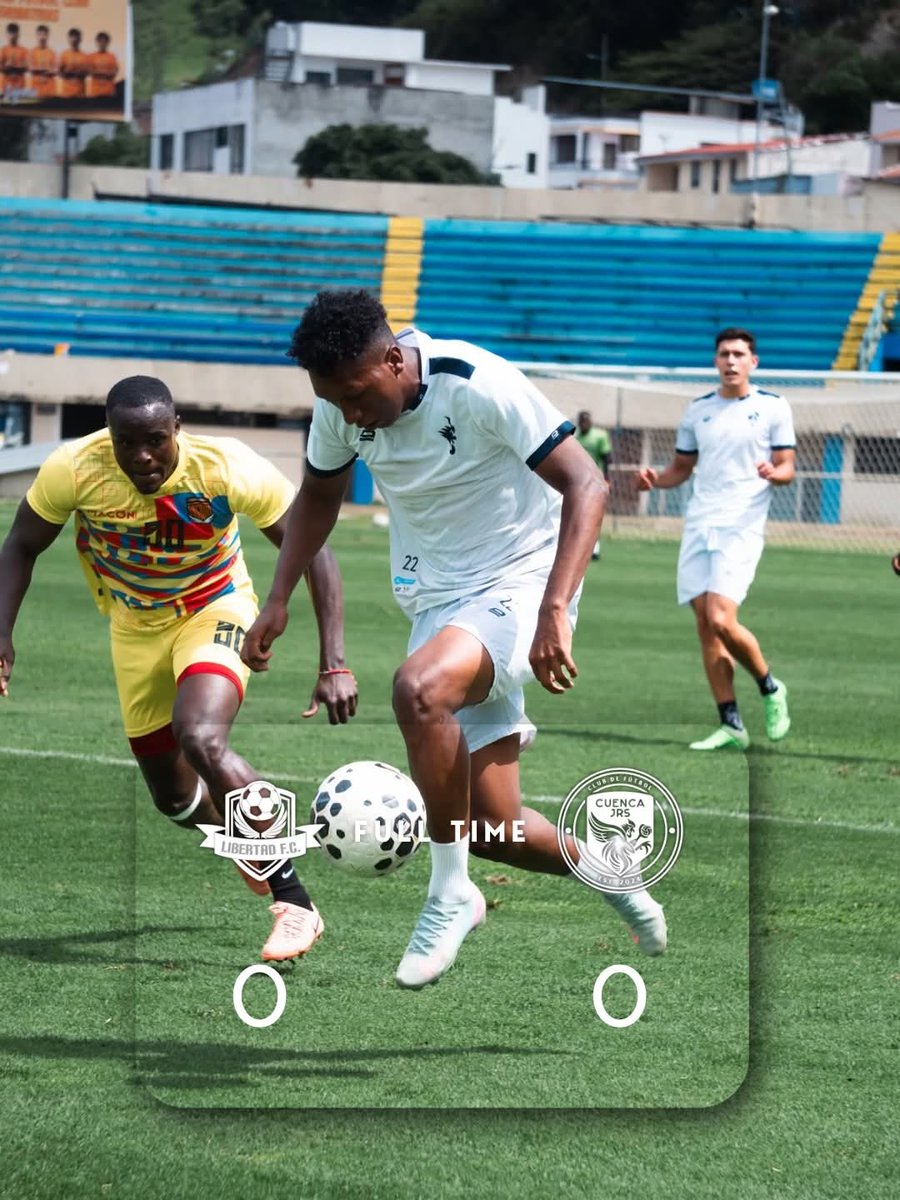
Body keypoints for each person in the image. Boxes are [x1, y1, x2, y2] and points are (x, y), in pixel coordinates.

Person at [241, 288, 667, 990]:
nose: (348, 414)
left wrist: (556, 606)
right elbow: (318, 497)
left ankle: (449, 894)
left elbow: (586, 483)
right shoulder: (338, 401)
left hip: (523, 581)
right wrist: (279, 598)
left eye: (355, 396)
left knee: (418, 688)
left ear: (392, 359)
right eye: (333, 401)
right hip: (440, 598)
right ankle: (613, 873)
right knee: (494, 822)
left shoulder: (476, 381)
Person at [0, 376, 357, 961]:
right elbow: (20, 544)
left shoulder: (226, 466)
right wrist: (2, 631)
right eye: (126, 443)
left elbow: (311, 544)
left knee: (201, 734)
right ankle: (250, 834)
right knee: (174, 799)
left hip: (215, 607)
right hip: (133, 626)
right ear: (108, 437)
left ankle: (295, 902)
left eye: (156, 441)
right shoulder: (74, 467)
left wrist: (334, 661)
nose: (142, 457)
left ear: (177, 430)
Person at [635, 327, 794, 750]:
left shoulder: (773, 407)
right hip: (699, 523)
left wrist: (773, 474)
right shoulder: (698, 410)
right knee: (707, 627)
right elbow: (681, 468)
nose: (730, 361)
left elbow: (787, 466)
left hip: (741, 525)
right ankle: (731, 724)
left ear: (753, 362)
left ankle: (771, 687)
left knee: (723, 618)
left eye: (739, 354)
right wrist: (656, 480)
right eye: (724, 354)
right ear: (715, 360)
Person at [575, 410, 611, 560]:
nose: (584, 424)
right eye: (582, 421)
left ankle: (595, 548)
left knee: (595, 514)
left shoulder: (600, 436)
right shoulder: (575, 437)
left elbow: (607, 458)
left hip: (596, 481)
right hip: (580, 481)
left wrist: (608, 479)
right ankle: (581, 547)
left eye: (586, 421)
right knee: (579, 515)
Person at [28, 24, 57, 101]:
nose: (42, 37)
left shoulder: (52, 53)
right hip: (35, 92)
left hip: (49, 92)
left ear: (48, 36)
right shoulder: (32, 52)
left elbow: (55, 71)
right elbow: (30, 69)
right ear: (36, 36)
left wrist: (41, 70)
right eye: (40, 34)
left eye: (44, 34)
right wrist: (46, 70)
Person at [58, 28, 88, 99]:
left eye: (76, 37)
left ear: (80, 39)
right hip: (66, 93)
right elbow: (59, 73)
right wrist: (66, 73)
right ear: (68, 39)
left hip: (80, 93)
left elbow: (87, 73)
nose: (74, 39)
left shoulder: (85, 56)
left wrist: (80, 73)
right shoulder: (63, 55)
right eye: (72, 37)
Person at [87, 31, 117, 100]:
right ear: (96, 42)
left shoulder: (112, 57)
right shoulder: (91, 57)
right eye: (100, 41)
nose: (102, 44)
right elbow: (91, 72)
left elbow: (113, 73)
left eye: (104, 42)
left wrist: (98, 72)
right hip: (95, 92)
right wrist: (106, 73)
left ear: (108, 43)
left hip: (109, 92)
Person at [0, 23, 28, 96]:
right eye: (10, 33)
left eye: (14, 33)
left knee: (19, 107)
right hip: (6, 87)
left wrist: (14, 67)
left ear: (18, 35)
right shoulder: (3, 50)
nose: (12, 36)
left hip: (20, 86)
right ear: (6, 34)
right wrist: (6, 66)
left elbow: (26, 68)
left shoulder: (24, 50)